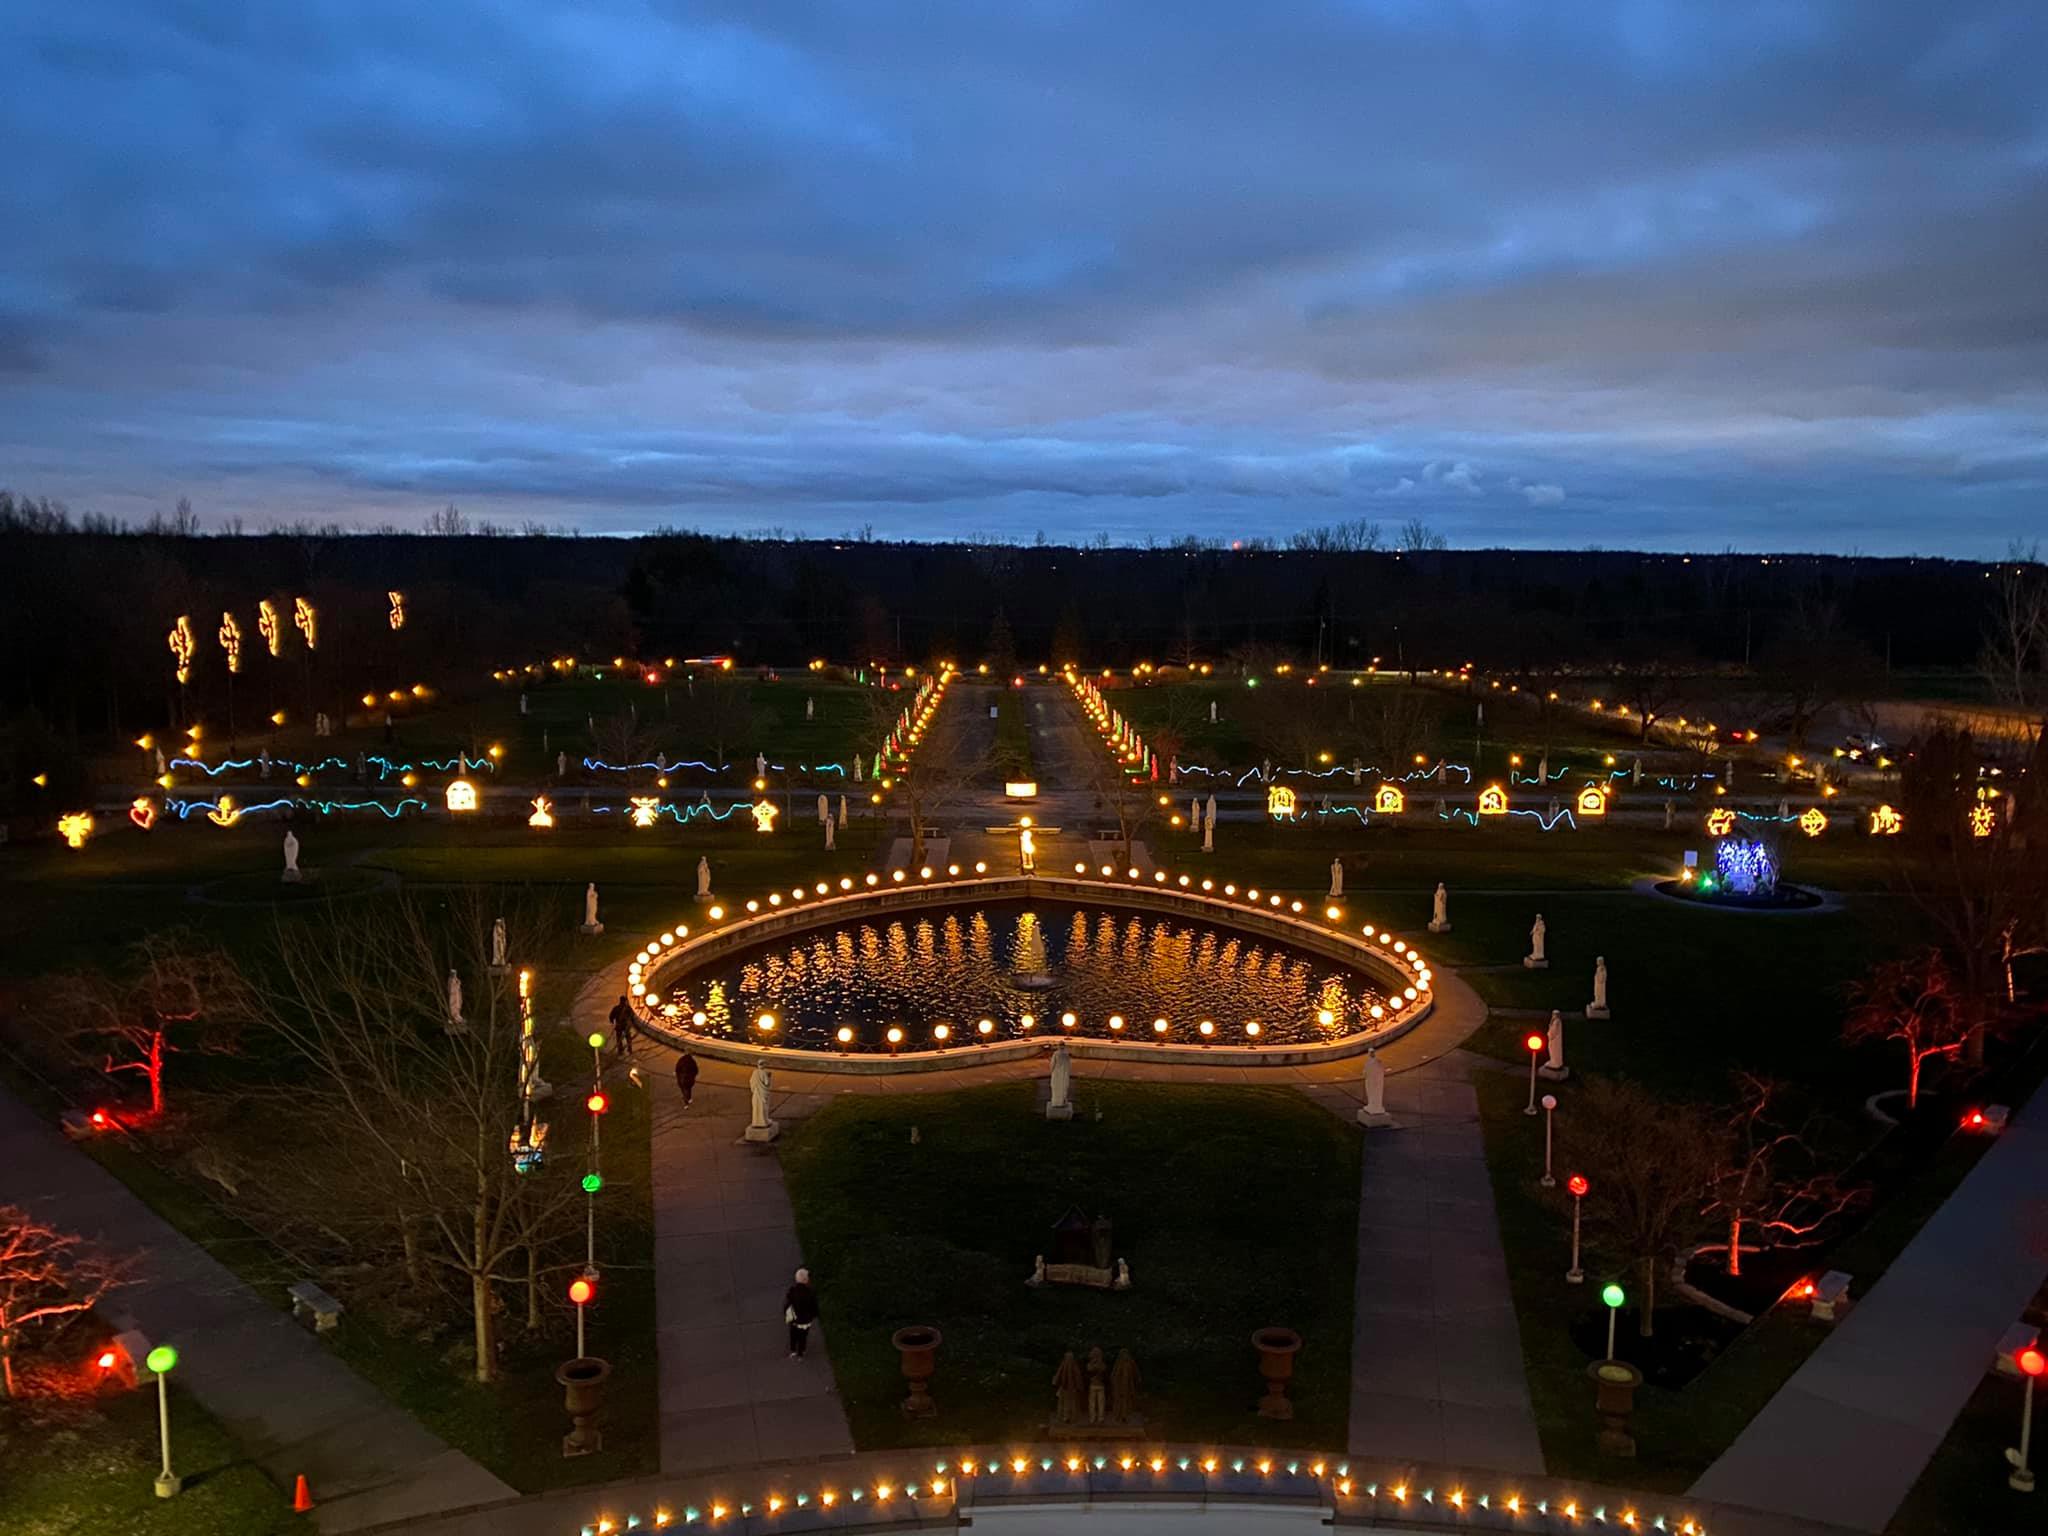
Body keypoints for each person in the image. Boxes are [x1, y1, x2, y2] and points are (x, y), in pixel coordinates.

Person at [785, 1268, 819, 1359]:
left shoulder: (792, 1291)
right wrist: (813, 1315)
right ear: (806, 1280)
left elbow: (788, 1304)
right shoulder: (810, 1293)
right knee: (803, 1337)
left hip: (794, 1319)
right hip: (805, 1321)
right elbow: (814, 1308)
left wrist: (786, 1313)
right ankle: (801, 1351)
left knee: (793, 1334)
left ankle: (793, 1350)